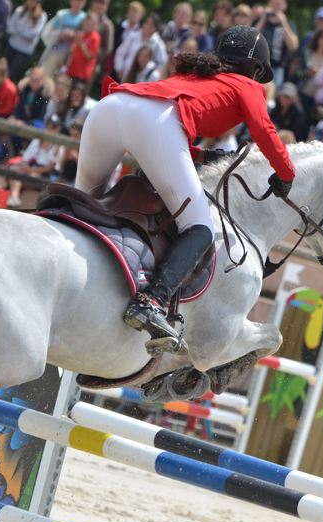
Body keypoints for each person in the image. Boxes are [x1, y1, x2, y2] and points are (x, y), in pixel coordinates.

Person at [76, 26, 295, 355]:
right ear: (257, 70)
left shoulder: (197, 74)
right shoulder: (248, 84)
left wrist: (205, 156)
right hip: (153, 121)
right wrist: (287, 173)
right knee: (200, 228)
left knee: (81, 202)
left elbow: (161, 130)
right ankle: (151, 300)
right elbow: (264, 131)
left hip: (111, 106)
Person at [6, 114, 64, 207]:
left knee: (23, 177)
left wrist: (31, 170)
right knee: (14, 169)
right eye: (48, 125)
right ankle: (14, 197)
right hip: (31, 170)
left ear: (58, 129)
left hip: (46, 175)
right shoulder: (38, 140)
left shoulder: (59, 146)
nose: (49, 129)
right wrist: (27, 168)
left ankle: (14, 196)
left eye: (53, 126)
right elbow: (24, 160)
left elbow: (50, 167)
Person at [252, 0, 298, 89]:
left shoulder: (289, 24)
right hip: (258, 66)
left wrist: (283, 23)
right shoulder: (259, 21)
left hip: (277, 69)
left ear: (285, 6)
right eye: (274, 3)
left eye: (279, 4)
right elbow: (251, 39)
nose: (276, 7)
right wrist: (263, 19)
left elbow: (293, 46)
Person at [37, 0, 85, 78]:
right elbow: (48, 31)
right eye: (75, 1)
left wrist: (73, 36)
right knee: (46, 77)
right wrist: (59, 34)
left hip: (70, 57)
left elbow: (84, 38)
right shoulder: (62, 14)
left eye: (80, 1)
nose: (77, 3)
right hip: (55, 51)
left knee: (61, 82)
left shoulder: (84, 19)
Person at [113, 13, 167, 82]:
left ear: (155, 28)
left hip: (145, 80)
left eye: (152, 25)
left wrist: (153, 76)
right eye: (147, 23)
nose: (148, 26)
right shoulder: (133, 37)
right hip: (127, 75)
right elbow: (120, 52)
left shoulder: (158, 44)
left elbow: (163, 63)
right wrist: (119, 69)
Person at [4, 0, 46, 82]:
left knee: (11, 75)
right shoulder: (19, 10)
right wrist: (25, 30)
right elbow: (9, 28)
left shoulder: (41, 16)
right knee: (3, 71)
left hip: (24, 51)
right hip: (12, 46)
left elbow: (32, 34)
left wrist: (18, 29)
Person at [65, 13, 100, 86]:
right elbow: (70, 50)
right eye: (87, 24)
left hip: (81, 73)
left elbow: (89, 56)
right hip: (72, 69)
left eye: (91, 25)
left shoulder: (95, 37)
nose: (88, 27)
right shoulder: (81, 34)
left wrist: (81, 44)